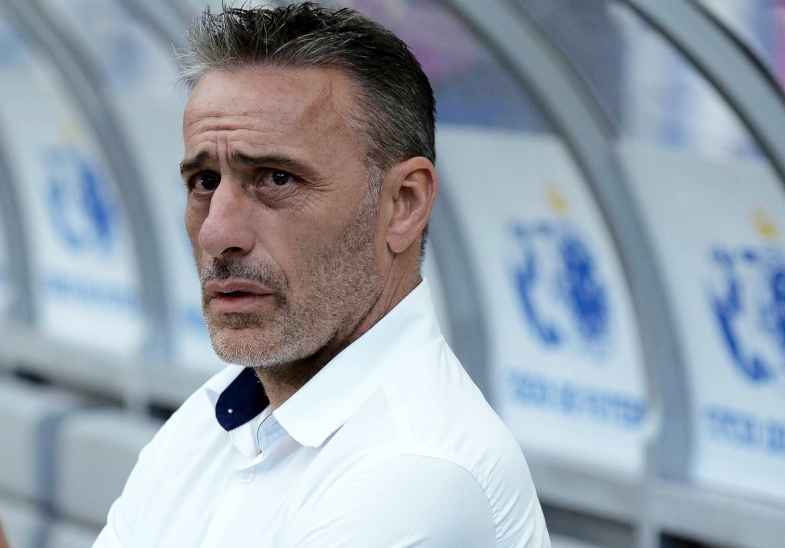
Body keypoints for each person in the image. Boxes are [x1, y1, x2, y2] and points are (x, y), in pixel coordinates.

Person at [94, 3, 550, 546]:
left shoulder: (414, 466)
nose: (216, 232)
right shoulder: (211, 419)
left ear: (403, 203)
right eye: (205, 181)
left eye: (276, 178)